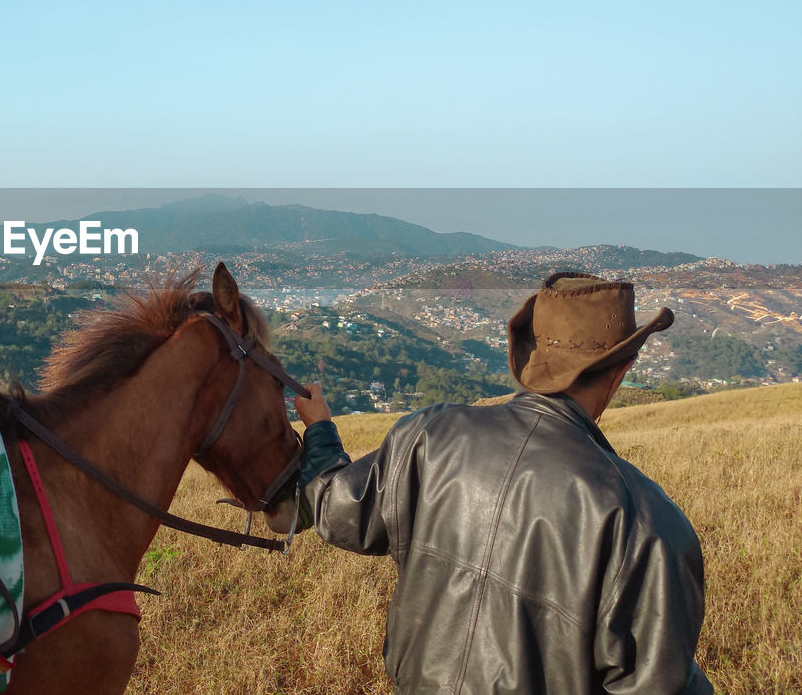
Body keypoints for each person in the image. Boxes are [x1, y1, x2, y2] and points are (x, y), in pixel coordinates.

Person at [293, 272, 712, 694]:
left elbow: (336, 509)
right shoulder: (646, 522)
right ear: (623, 369)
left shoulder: (429, 435)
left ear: (534, 352)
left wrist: (321, 432)